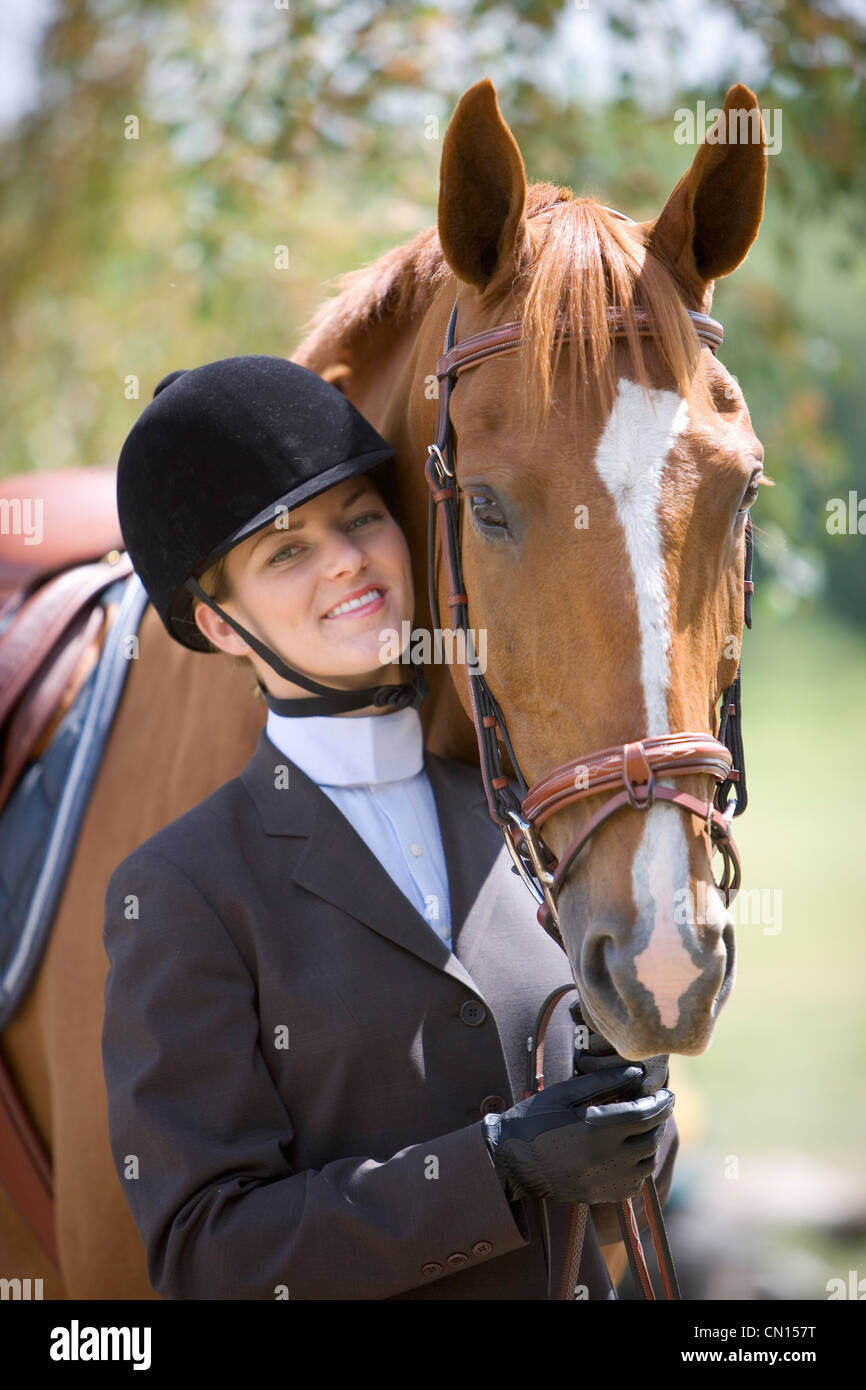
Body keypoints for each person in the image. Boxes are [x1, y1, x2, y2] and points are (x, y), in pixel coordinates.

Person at [102, 354, 678, 1301]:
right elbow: (210, 1258)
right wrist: (498, 1168)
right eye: (285, 552)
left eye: (360, 516)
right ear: (218, 624)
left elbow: (617, 1203)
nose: (344, 560)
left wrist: (628, 1128)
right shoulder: (180, 892)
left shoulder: (527, 821)